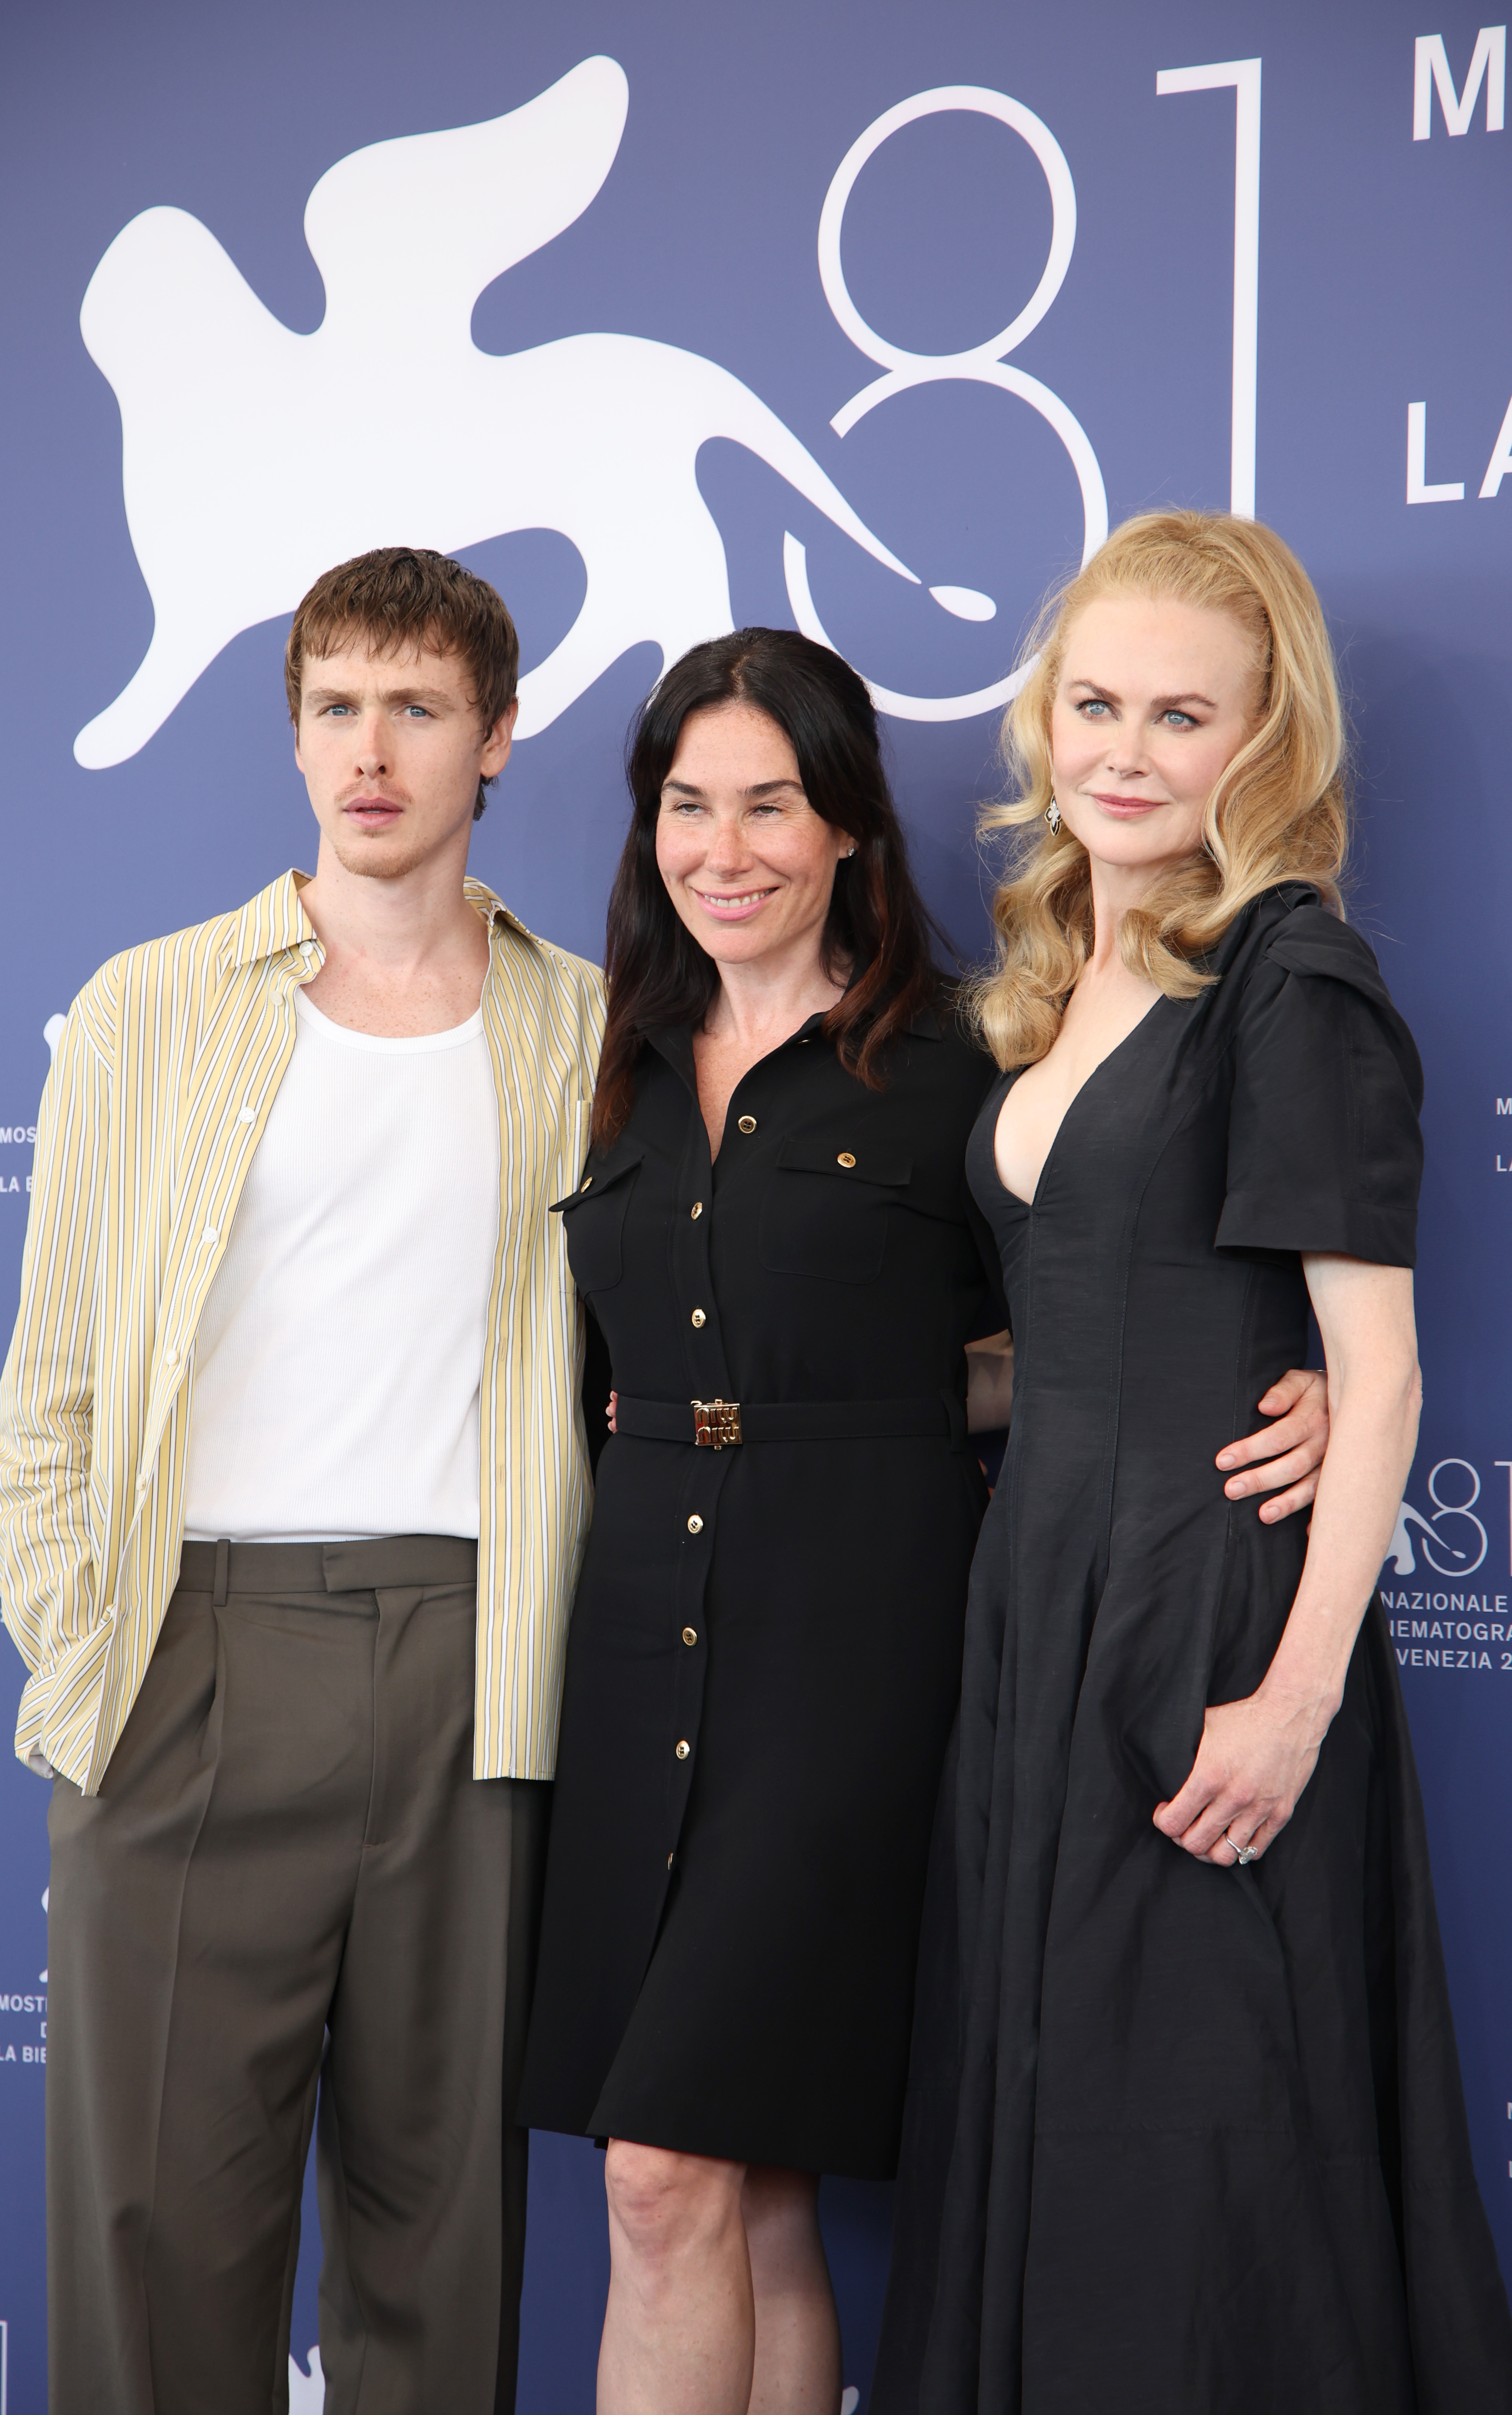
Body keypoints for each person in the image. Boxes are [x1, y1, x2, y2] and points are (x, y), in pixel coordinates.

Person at [516, 625, 1332, 2415]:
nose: (722, 848)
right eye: (686, 806)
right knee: (760, 2190)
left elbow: (1087, 1324)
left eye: (770, 806)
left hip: (851, 1657)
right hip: (637, 1633)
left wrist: (1301, 1382)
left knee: (662, 2174)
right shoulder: (607, 1059)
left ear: (851, 835)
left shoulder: (959, 1061)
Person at [874, 511, 1512, 2414]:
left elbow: (1375, 1379)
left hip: (1202, 1627)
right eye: (1092, 703)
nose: (1124, 752)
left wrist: (1294, 1701)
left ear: (1266, 743)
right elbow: (1061, 1340)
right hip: (1037, 1623)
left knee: (1191, 2148)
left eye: (1180, 713)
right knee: (1047, 2117)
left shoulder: (1290, 982)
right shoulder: (1062, 981)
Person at [0, 547, 606, 2415]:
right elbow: (51, 1397)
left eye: (417, 706)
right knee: (154, 2239)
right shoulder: (148, 1010)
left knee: (445, 2239)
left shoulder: (590, 1027)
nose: (371, 749)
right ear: (296, 731)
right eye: (335, 703)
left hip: (473, 1662)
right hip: (197, 1648)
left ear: (497, 737)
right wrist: (97, 1669)